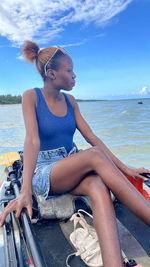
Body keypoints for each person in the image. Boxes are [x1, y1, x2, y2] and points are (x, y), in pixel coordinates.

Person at [0, 40, 150, 267]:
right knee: (96, 155)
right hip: (45, 171)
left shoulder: (70, 101)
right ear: (51, 74)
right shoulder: (31, 96)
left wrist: (127, 169)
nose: (74, 76)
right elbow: (32, 140)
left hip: (71, 162)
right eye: (69, 71)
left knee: (97, 185)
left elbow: (91, 136)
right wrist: (25, 191)